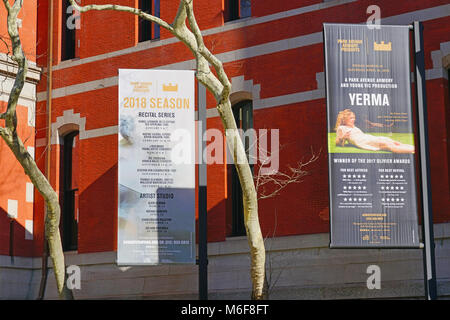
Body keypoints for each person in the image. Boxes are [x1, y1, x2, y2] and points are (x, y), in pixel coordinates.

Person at [334, 109, 414, 154]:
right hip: (364, 141)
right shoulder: (341, 128)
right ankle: (413, 150)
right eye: (351, 118)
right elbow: (337, 142)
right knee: (389, 146)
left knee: (393, 142)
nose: (353, 119)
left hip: (368, 138)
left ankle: (413, 149)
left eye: (354, 117)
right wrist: (343, 137)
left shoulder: (354, 127)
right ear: (344, 119)